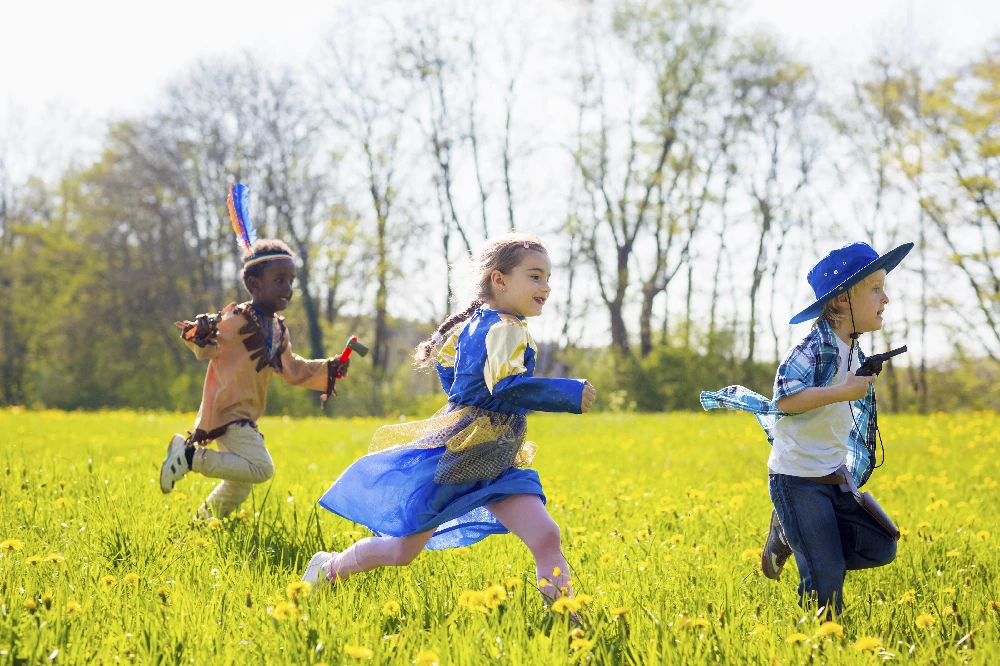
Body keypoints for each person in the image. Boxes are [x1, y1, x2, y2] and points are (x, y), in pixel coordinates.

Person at [303, 232, 596, 607]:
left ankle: (565, 617)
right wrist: (567, 394)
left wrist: (467, 406)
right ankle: (328, 568)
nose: (546, 287)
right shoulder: (505, 327)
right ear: (500, 280)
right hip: (462, 456)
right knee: (401, 552)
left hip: (498, 457)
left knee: (545, 536)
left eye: (548, 278)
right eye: (535, 276)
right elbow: (505, 387)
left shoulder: (483, 323)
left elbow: (451, 374)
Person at [701, 241, 911, 616]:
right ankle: (823, 636)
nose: (886, 298)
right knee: (826, 574)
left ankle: (792, 536)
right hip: (797, 478)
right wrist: (841, 391)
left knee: (880, 547)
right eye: (876, 288)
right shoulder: (814, 347)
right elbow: (785, 399)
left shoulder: (853, 349)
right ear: (843, 299)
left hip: (834, 475)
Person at [159, 183, 347, 519]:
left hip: (245, 414)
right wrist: (200, 333)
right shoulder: (235, 319)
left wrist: (330, 367)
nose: (288, 288)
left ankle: (204, 522)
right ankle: (188, 457)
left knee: (240, 481)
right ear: (255, 284)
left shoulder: (277, 328)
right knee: (261, 468)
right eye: (280, 280)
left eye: (291, 280)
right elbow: (205, 347)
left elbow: (293, 370)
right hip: (227, 412)